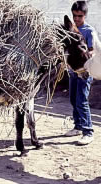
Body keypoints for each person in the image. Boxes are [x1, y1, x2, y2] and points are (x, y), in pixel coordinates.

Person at [65, 1, 95, 145]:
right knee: (72, 99)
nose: (76, 19)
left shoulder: (89, 31)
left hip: (84, 71)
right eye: (74, 16)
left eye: (80, 16)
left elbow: (91, 51)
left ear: (85, 15)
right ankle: (78, 126)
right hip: (72, 71)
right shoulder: (70, 29)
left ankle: (88, 131)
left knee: (81, 101)